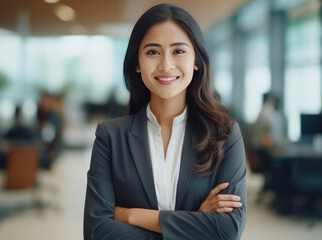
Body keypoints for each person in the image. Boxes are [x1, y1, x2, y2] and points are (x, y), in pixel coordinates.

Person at [83, 3, 247, 239]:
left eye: (178, 51)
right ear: (137, 63)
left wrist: (132, 216)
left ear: (196, 61)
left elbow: (229, 230)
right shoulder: (110, 136)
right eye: (152, 52)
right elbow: (97, 232)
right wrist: (195, 220)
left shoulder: (225, 135)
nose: (166, 64)